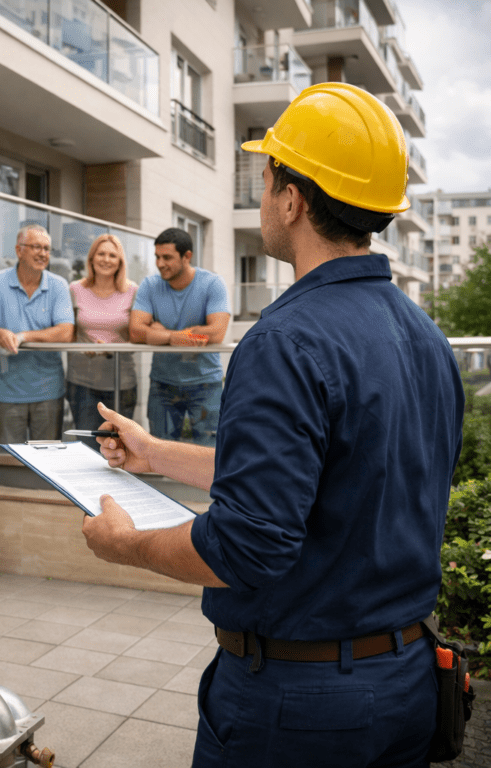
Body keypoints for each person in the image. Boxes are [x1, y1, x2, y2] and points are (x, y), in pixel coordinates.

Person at [83, 83, 465, 767]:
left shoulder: (286, 341)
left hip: (301, 705)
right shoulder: (424, 338)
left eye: (266, 181)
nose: (263, 198)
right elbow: (335, 473)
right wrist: (156, 454)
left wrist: (127, 545)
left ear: (292, 199)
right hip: (406, 683)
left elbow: (246, 547)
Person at [0, 225, 74, 443]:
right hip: (6, 392)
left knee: (47, 464)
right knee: (8, 464)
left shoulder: (58, 286)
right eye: (37, 247)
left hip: (48, 392)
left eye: (47, 249)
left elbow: (66, 332)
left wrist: (24, 336)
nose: (43, 254)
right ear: (19, 251)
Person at [130, 228, 230, 446]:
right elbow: (136, 331)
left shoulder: (212, 283)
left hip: (205, 384)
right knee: (158, 453)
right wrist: (178, 336)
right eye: (157, 257)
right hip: (163, 384)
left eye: (167, 257)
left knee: (209, 453)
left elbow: (217, 332)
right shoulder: (150, 285)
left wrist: (159, 332)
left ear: (187, 257)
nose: (160, 263)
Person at [66, 234, 138, 448]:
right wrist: (81, 347)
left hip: (121, 382)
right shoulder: (75, 289)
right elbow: (68, 334)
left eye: (112, 255)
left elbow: (138, 336)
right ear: (92, 258)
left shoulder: (133, 291)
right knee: (87, 448)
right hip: (82, 382)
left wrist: (111, 349)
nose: (106, 259)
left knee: (120, 448)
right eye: (101, 254)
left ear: (120, 262)